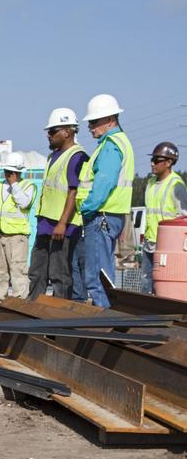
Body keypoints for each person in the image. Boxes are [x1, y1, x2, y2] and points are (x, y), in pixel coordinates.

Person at [77, 93, 135, 307]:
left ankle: (104, 319)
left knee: (97, 274)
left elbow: (104, 182)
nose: (90, 126)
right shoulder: (118, 142)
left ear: (110, 120)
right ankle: (106, 314)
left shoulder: (111, 144)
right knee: (104, 269)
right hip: (111, 215)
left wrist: (86, 207)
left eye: (94, 121)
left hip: (101, 214)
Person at [29, 109, 87, 300]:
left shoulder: (77, 156)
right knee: (37, 271)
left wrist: (62, 222)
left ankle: (59, 317)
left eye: (53, 131)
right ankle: (33, 308)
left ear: (67, 132)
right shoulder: (52, 156)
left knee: (59, 274)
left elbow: (73, 191)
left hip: (62, 227)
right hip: (46, 224)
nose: (49, 135)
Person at [0, 151, 36, 302]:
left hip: (17, 236)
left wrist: (14, 185)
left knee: (18, 269)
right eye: (7, 171)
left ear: (18, 172)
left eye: (11, 171)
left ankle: (19, 300)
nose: (8, 174)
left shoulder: (28, 186)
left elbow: (23, 203)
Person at [140, 142, 187, 293]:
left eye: (157, 160)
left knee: (162, 286)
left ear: (169, 162)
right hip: (150, 242)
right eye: (152, 160)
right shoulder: (151, 183)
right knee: (146, 284)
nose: (152, 164)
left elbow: (183, 218)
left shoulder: (176, 185)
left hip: (167, 246)